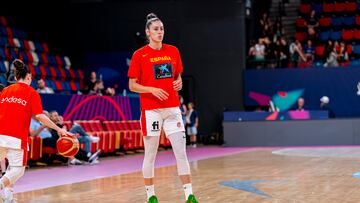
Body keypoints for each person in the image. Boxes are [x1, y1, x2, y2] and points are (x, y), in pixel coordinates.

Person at [128, 13, 198, 203]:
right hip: (151, 110)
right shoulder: (139, 55)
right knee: (150, 154)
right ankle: (151, 195)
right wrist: (151, 89)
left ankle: (189, 195)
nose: (160, 32)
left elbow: (177, 76)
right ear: (148, 32)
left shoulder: (173, 51)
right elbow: (132, 85)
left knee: (181, 152)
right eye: (156, 29)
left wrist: (179, 82)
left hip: (172, 108)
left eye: (162, 29)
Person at [0, 59, 71, 202]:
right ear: (29, 77)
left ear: (15, 78)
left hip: (1, 135)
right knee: (17, 170)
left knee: (10, 170)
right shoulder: (32, 93)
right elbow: (40, 116)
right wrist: (59, 129)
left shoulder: (5, 91)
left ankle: (8, 198)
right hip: (17, 138)